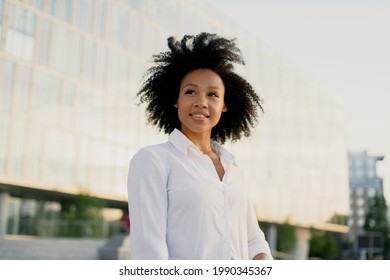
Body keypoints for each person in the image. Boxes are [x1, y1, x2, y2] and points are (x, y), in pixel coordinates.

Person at [127, 32, 272, 260]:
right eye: (190, 91)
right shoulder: (152, 161)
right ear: (176, 99)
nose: (201, 102)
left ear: (224, 105)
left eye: (212, 94)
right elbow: (150, 251)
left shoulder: (233, 169)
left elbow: (253, 239)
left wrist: (262, 257)